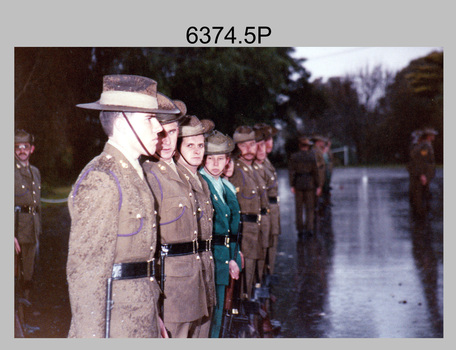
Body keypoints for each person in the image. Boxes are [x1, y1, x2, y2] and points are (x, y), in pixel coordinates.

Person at [66, 74, 177, 338]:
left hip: (140, 318)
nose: (159, 129)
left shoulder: (134, 173)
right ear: (124, 121)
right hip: (115, 327)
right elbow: (86, 277)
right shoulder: (102, 178)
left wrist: (154, 317)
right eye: (150, 119)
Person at [141, 102, 208, 338]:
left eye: (172, 133)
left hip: (195, 278)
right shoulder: (148, 174)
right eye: (160, 133)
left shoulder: (184, 172)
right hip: (170, 286)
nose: (167, 141)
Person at [174, 115, 216, 337]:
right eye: (190, 145)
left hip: (203, 272)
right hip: (183, 278)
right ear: (177, 149)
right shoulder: (177, 179)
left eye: (201, 145)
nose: (197, 151)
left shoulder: (200, 179)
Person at [199, 130, 243, 338]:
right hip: (213, 257)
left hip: (226, 257)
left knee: (220, 315)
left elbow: (233, 229)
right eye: (210, 159)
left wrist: (235, 256)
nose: (215, 164)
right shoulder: (202, 183)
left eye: (220, 159)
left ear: (227, 161)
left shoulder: (225, 185)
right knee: (211, 317)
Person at [229, 126, 263, 299]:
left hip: (253, 231)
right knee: (243, 279)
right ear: (236, 147)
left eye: (251, 144)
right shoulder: (235, 170)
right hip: (243, 231)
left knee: (250, 276)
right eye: (243, 145)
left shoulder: (252, 169)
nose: (249, 149)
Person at [14, 129, 41, 333]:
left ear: (31, 149)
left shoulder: (35, 172)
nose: (22, 150)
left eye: (25, 147)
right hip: (16, 233)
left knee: (28, 277)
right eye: (17, 147)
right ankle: (15, 326)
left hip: (31, 231)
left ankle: (24, 322)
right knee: (14, 278)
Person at [288, 136, 321, 238]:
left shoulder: (294, 157)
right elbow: (316, 172)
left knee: (299, 208)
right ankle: (309, 229)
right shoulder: (312, 156)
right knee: (309, 208)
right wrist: (318, 185)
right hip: (310, 183)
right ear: (307, 146)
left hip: (298, 183)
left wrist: (292, 184)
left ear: (299, 146)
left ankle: (300, 230)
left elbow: (291, 172)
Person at [407, 127, 438, 218]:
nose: (434, 136)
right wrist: (422, 175)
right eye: (432, 135)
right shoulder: (425, 146)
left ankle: (420, 217)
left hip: (422, 175)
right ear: (428, 136)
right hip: (422, 176)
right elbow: (421, 160)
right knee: (420, 197)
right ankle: (420, 219)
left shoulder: (424, 145)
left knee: (422, 196)